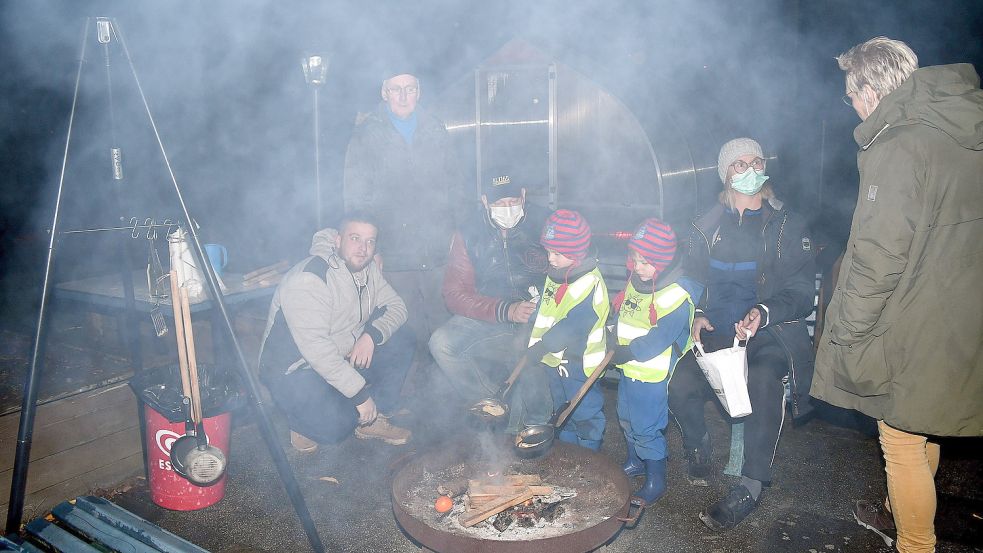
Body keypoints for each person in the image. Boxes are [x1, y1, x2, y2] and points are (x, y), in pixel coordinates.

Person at [812, 37, 983, 553]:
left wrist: (845, 334)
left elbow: (877, 254)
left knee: (900, 439)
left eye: (851, 94)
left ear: (869, 90)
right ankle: (903, 516)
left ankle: (914, 544)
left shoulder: (899, 143)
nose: (853, 106)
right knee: (924, 425)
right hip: (962, 312)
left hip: (915, 318)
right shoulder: (963, 130)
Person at [668, 138, 816, 530]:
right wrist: (698, 313)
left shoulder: (787, 223)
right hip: (718, 330)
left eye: (757, 162)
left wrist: (763, 312)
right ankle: (698, 444)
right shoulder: (706, 225)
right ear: (725, 173)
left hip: (767, 332)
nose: (750, 170)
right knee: (679, 386)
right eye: (739, 164)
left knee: (764, 380)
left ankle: (750, 485)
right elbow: (697, 278)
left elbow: (802, 293)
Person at [343, 67, 463, 388]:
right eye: (396, 89)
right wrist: (373, 248)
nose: (403, 96)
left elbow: (455, 184)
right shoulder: (368, 134)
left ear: (419, 91)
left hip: (436, 246)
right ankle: (404, 396)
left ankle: (444, 391)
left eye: (410, 88)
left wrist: (455, 234)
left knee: (441, 318)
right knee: (402, 322)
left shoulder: (435, 129)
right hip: (393, 249)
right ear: (384, 92)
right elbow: (356, 195)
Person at [258, 213, 413, 452]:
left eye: (370, 241)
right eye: (355, 238)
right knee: (335, 428)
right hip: (295, 369)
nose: (363, 249)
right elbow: (317, 350)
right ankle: (300, 421)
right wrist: (360, 396)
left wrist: (370, 335)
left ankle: (371, 417)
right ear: (337, 241)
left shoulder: (367, 269)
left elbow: (398, 307)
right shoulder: (310, 278)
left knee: (402, 340)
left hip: (339, 354)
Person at [428, 170, 552, 433]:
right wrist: (503, 310)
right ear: (484, 201)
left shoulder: (546, 223)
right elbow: (453, 293)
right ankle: (493, 400)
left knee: (524, 348)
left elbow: (569, 272)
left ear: (523, 195)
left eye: (512, 202)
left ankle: (533, 426)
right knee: (441, 343)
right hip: (493, 316)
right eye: (498, 203)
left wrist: (541, 308)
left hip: (538, 318)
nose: (507, 209)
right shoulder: (470, 233)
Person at [610, 218, 697, 506]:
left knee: (647, 426)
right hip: (629, 369)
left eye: (646, 263)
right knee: (626, 418)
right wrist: (614, 341)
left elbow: (659, 338)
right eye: (635, 260)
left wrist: (629, 351)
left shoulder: (674, 296)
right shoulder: (639, 280)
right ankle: (635, 461)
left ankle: (655, 480)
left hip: (651, 375)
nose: (638, 267)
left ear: (664, 261)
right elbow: (625, 316)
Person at [525, 210, 610, 451]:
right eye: (548, 251)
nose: (550, 258)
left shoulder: (588, 283)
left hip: (578, 363)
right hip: (554, 360)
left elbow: (574, 324)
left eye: (558, 253)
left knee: (585, 412)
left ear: (576, 253)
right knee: (563, 411)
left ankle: (590, 457)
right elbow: (548, 308)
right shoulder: (557, 273)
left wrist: (544, 344)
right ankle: (569, 455)